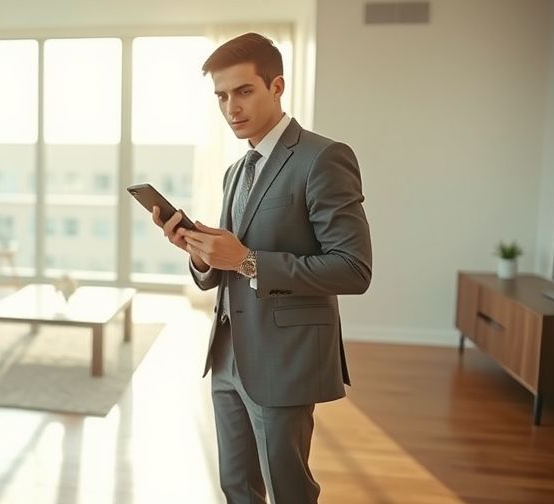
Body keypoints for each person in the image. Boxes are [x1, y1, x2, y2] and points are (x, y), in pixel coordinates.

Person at [152, 33, 372, 503]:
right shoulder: (237, 169)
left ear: (277, 87)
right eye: (221, 96)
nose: (231, 107)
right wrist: (199, 251)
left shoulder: (323, 158)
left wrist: (247, 259)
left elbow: (353, 269)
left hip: (284, 358)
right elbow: (229, 263)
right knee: (236, 487)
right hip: (228, 355)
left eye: (244, 91)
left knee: (288, 490)